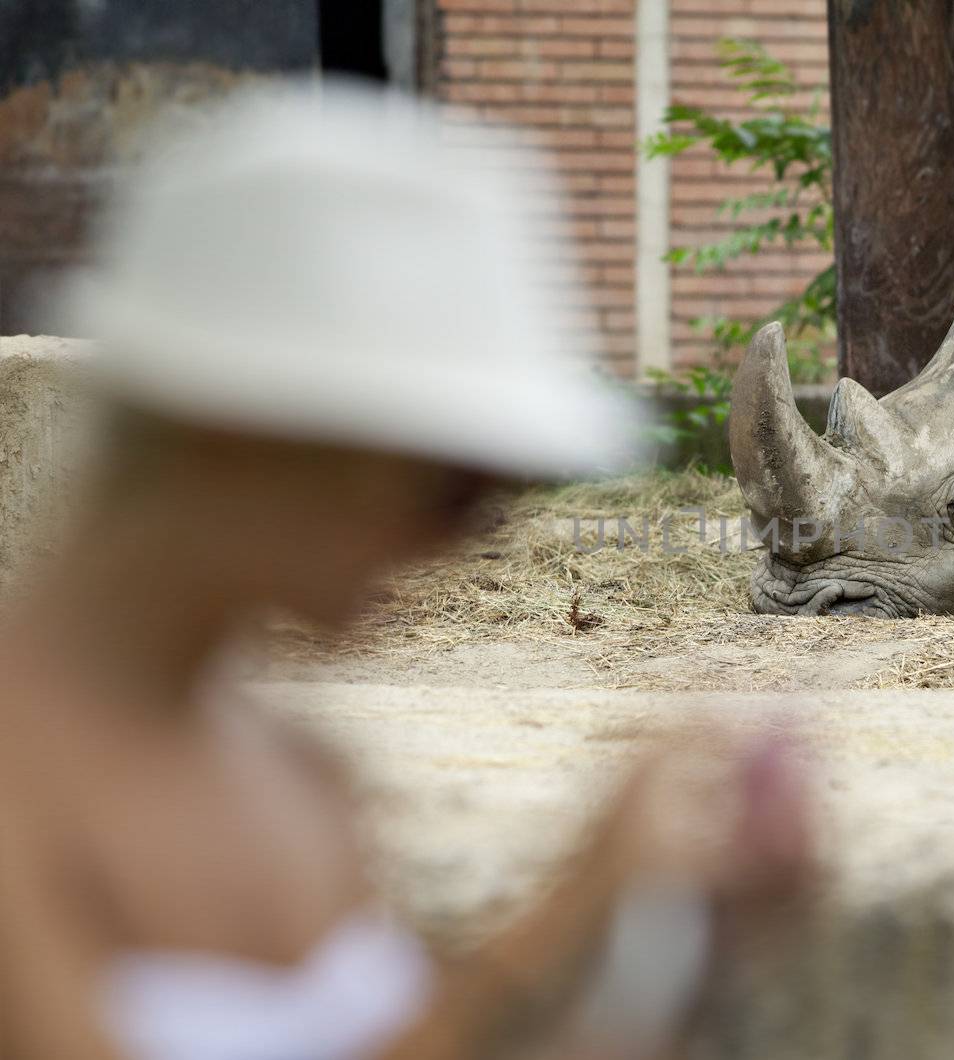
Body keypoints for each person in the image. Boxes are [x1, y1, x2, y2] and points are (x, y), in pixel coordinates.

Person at [0, 83, 811, 1059]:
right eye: (449, 484)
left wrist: (673, 952)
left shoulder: (300, 773)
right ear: (247, 427)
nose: (463, 541)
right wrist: (561, 915)